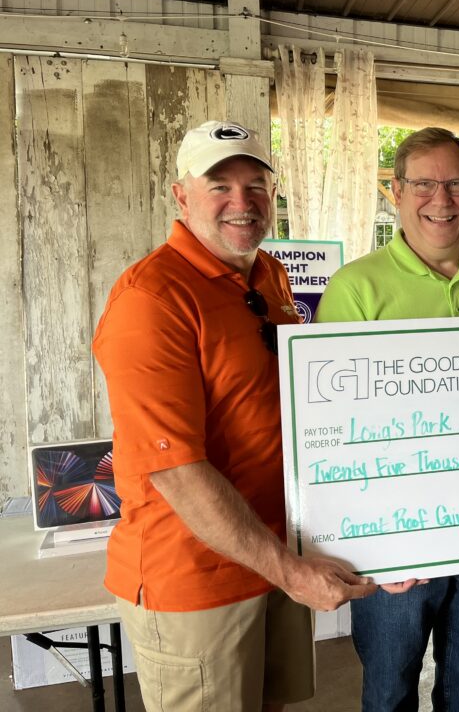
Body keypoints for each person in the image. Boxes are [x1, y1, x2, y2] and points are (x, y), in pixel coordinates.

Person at [93, 121, 377, 712]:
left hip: (275, 552)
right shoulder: (152, 299)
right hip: (196, 578)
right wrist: (293, 573)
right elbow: (176, 470)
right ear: (181, 195)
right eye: (219, 184)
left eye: (257, 185)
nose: (241, 202)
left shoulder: (268, 274)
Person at [314, 127, 459, 711]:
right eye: (425, 183)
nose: (442, 198)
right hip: (394, 540)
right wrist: (374, 541)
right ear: (396, 191)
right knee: (388, 691)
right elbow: (334, 433)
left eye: (456, 183)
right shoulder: (355, 288)